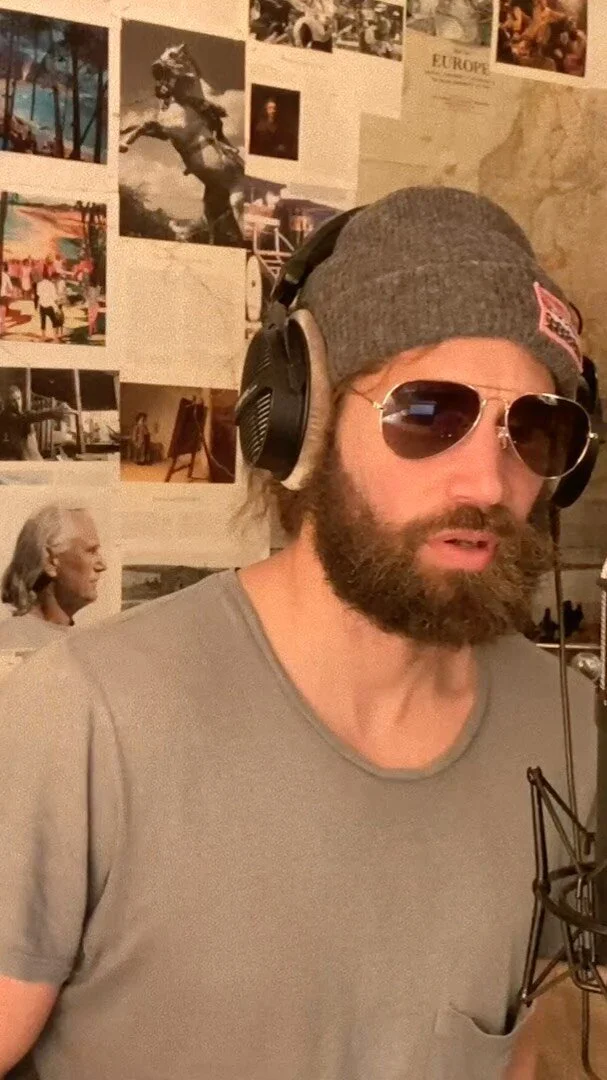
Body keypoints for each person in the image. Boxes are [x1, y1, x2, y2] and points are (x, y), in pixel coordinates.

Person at [0, 186, 598, 1079]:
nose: (486, 480)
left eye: (536, 429)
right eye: (427, 414)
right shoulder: (85, 716)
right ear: (300, 423)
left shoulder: (566, 728)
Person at [0, 503, 107, 650]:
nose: (102, 565)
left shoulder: (81, 641)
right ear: (51, 561)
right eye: (91, 551)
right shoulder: (11, 643)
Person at [0, 384, 74, 461]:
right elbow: (30, 416)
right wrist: (53, 412)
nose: (18, 403)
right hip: (22, 457)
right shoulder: (8, 416)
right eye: (13, 401)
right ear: (7, 402)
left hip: (30, 454)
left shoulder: (21, 413)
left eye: (19, 398)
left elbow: (30, 414)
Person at [36, 271, 59, 342]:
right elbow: (54, 296)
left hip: (42, 304)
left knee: (43, 321)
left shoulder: (39, 284)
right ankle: (55, 337)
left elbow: (38, 293)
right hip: (49, 304)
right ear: (48, 276)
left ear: (42, 276)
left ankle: (43, 336)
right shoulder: (51, 284)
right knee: (54, 321)